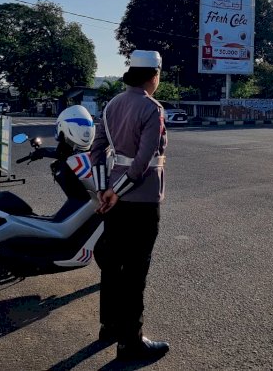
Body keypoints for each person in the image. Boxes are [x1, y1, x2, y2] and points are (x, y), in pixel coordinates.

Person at [90, 50, 170, 362]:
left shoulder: (112, 104)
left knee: (112, 265)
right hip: (141, 201)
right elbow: (143, 161)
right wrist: (118, 191)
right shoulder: (152, 108)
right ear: (155, 74)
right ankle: (130, 343)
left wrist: (104, 189)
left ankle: (109, 327)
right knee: (136, 271)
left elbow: (97, 150)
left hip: (113, 199)